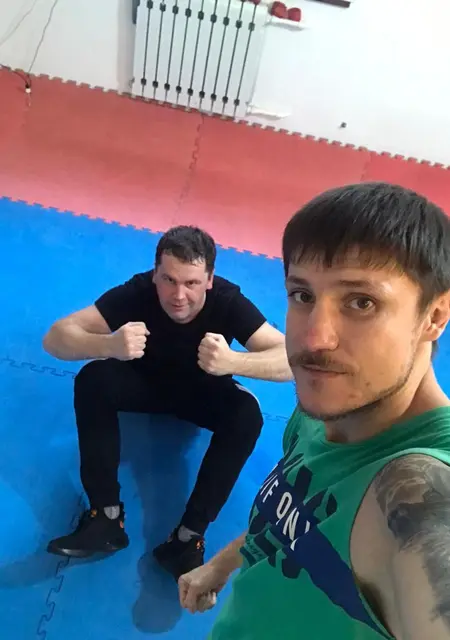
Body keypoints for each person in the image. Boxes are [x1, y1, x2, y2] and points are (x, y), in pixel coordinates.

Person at [178, 182, 450, 640]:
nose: (315, 338)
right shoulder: (323, 407)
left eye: (361, 302)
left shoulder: (417, 482)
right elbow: (298, 515)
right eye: (303, 296)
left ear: (435, 316)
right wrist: (221, 565)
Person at [43, 225, 292, 580]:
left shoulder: (227, 301)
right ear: (155, 274)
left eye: (191, 283)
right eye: (169, 280)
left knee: (247, 416)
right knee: (92, 379)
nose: (178, 295)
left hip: (201, 394)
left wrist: (234, 362)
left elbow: (290, 360)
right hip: (144, 386)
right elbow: (55, 338)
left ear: (209, 280)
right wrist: (108, 345)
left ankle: (188, 539)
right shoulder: (138, 292)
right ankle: (105, 517)